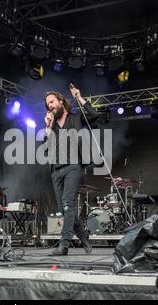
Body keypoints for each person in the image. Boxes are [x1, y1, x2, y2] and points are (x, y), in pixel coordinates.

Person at [44, 84, 98, 256]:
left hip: (73, 167)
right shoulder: (51, 126)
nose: (50, 106)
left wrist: (79, 97)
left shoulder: (75, 118)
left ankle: (64, 245)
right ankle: (83, 236)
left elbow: (94, 115)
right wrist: (47, 127)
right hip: (56, 170)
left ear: (61, 102)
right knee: (64, 209)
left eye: (52, 102)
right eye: (48, 105)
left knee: (68, 204)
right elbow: (46, 149)